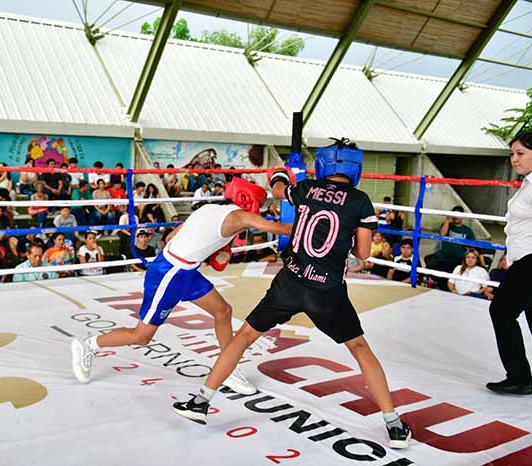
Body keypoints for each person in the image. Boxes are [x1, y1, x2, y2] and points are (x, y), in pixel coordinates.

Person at [172, 139, 412, 449]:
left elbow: (277, 190)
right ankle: (394, 426)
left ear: (324, 164)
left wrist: (278, 175)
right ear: (356, 167)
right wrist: (343, 241)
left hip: (290, 281)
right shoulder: (360, 200)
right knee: (359, 347)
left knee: (244, 336)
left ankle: (201, 402)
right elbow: (363, 254)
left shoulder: (308, 188)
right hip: (327, 290)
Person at [71, 177, 292, 396]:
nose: (259, 210)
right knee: (141, 336)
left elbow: (170, 237)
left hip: (184, 270)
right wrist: (312, 220)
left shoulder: (208, 209)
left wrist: (203, 248)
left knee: (223, 311)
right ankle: (88, 345)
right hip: (169, 273)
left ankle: (228, 369)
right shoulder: (240, 216)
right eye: (258, 204)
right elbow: (280, 228)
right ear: (249, 201)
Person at [487, 132, 532, 395]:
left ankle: (519, 377)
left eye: (521, 153)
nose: (514, 159)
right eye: (512, 154)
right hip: (528, 259)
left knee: (501, 311)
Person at [425, 206, 475, 290]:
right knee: (429, 259)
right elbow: (442, 235)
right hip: (442, 255)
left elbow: (473, 248)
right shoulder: (447, 225)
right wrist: (447, 219)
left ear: (462, 216)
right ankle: (441, 284)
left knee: (451, 268)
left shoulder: (467, 230)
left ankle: (443, 285)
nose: (456, 217)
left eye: (458, 215)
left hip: (458, 258)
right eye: (454, 214)